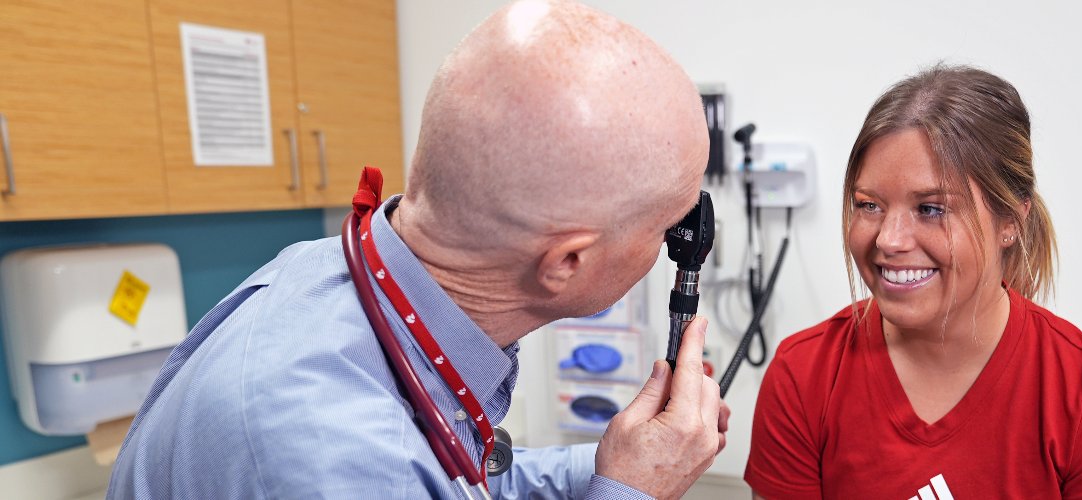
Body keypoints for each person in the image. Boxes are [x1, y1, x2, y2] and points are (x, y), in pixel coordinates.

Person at [109, 1, 728, 498]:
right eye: (666, 227)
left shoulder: (324, 273)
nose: (675, 243)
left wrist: (623, 464)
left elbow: (454, 476)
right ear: (566, 262)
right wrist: (635, 493)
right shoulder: (329, 455)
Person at [744, 65, 1082, 499]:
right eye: (869, 205)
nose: (888, 240)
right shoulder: (803, 377)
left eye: (931, 209)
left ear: (1010, 221)